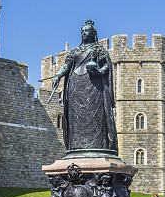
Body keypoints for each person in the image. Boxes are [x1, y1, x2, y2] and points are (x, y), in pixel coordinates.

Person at [50, 20, 117, 153]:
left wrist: (98, 72)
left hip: (94, 86)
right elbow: (67, 66)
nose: (84, 33)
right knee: (76, 118)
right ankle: (76, 146)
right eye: (83, 31)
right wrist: (58, 76)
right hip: (75, 86)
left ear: (93, 34)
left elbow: (106, 67)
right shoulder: (75, 51)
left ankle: (98, 146)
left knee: (95, 116)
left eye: (87, 31)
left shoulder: (99, 50)